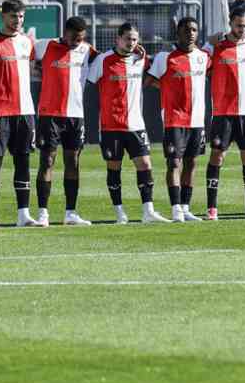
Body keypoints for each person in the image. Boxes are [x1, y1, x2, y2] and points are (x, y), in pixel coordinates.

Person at [88, 22, 168, 224]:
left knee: (145, 164)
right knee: (114, 168)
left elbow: (153, 75)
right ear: (118, 38)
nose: (131, 43)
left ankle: (148, 211)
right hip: (110, 126)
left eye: (134, 39)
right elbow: (89, 85)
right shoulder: (103, 60)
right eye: (127, 39)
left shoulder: (140, 59)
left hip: (136, 124)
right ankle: (119, 213)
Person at [32, 16, 97, 226]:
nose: (77, 42)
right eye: (74, 37)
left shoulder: (88, 50)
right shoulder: (45, 45)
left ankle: (70, 213)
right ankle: (43, 213)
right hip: (49, 114)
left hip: (76, 116)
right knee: (47, 161)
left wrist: (137, 51)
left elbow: (113, 57)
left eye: (80, 38)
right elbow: (22, 48)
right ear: (65, 32)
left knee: (73, 162)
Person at [0, 0, 38, 228]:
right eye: (13, 16)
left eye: (21, 17)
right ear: (3, 17)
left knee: (23, 162)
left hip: (25, 112)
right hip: (0, 113)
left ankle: (24, 215)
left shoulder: (27, 43)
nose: (18, 21)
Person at [145, 17, 209, 223]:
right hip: (175, 119)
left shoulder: (203, 57)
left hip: (197, 120)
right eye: (187, 29)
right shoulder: (165, 57)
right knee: (174, 163)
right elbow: (150, 81)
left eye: (194, 30)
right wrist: (169, 89)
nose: (191, 33)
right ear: (178, 33)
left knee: (191, 163)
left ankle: (185, 207)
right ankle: (175, 209)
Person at [205, 8, 245, 221]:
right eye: (239, 25)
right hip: (223, 111)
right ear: (231, 24)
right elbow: (201, 65)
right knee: (217, 155)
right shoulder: (215, 46)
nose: (242, 29)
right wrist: (208, 41)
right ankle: (211, 208)